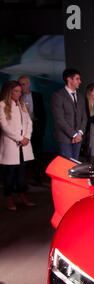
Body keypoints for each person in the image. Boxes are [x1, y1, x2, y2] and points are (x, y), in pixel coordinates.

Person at [0, 81, 36, 210]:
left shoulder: (21, 105)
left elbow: (29, 123)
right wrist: (20, 138)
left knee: (22, 173)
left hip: (23, 145)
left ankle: (22, 195)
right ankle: (9, 198)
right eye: (16, 91)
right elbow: (5, 126)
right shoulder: (2, 105)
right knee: (9, 174)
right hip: (12, 144)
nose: (18, 94)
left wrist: (26, 137)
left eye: (20, 91)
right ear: (9, 91)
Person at [50, 68, 87, 161]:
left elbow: (84, 117)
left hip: (78, 138)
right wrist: (74, 135)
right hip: (64, 138)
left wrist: (79, 133)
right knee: (67, 166)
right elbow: (59, 119)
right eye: (77, 79)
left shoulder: (80, 97)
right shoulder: (58, 96)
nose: (80, 81)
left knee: (75, 166)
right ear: (69, 79)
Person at [18, 76, 46, 185]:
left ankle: (37, 178)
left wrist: (41, 129)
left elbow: (43, 114)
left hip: (36, 130)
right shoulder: (17, 97)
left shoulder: (37, 96)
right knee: (23, 157)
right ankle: (22, 180)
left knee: (37, 155)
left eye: (24, 84)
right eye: (20, 84)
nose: (22, 87)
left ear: (29, 84)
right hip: (22, 132)